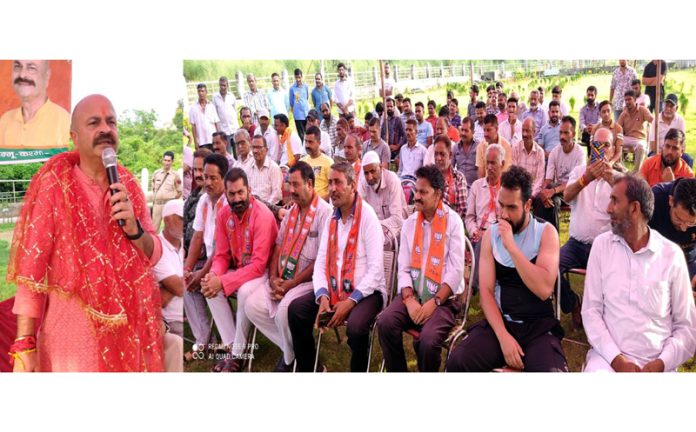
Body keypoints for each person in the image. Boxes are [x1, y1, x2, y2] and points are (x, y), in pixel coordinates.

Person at [9, 94, 163, 372]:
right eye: (94, 122)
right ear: (74, 137)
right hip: (72, 340)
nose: (106, 129)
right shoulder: (54, 186)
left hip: (127, 333)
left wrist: (135, 231)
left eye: (111, 122)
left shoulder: (128, 185)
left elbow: (153, 253)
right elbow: (30, 272)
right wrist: (24, 343)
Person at [447, 165, 568, 372]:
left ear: (528, 205)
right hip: (502, 322)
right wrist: (503, 337)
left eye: (511, 207)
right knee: (458, 361)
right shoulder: (491, 236)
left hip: (537, 327)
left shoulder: (546, 233)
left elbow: (544, 289)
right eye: (501, 205)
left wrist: (511, 246)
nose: (503, 214)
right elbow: (485, 292)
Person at [582, 174, 696, 372]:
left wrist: (661, 363)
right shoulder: (602, 246)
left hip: (660, 364)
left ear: (634, 208)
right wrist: (617, 359)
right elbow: (591, 311)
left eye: (615, 201)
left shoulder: (672, 255)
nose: (608, 208)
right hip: (607, 360)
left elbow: (686, 328)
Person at [288, 161, 386, 372]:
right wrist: (322, 297)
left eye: (338, 183)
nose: (332, 188)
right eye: (330, 182)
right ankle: (310, 369)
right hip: (333, 290)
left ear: (352, 186)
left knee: (357, 328)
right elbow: (321, 263)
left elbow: (376, 271)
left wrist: (350, 302)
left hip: (367, 293)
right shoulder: (331, 219)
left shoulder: (368, 217)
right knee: (296, 311)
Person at [245, 161, 332, 371]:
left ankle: (292, 360)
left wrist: (291, 283)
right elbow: (277, 246)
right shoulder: (291, 211)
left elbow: (321, 260)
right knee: (251, 306)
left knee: (285, 312)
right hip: (284, 277)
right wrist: (274, 278)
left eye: (295, 185)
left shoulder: (325, 213)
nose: (290, 190)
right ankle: (293, 353)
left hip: (309, 281)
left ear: (310, 184)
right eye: (289, 185)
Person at [377, 165, 465, 372]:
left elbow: (456, 272)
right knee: (385, 322)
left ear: (438, 195)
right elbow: (404, 268)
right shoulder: (409, 224)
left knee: (427, 342)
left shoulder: (453, 222)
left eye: (423, 192)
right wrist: (409, 300)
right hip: (414, 294)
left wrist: (433, 303)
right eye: (416, 191)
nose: (416, 196)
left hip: (444, 301)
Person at [200, 168, 278, 372]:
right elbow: (222, 256)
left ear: (249, 190)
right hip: (242, 270)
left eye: (240, 193)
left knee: (243, 291)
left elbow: (259, 265)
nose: (236, 199)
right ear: (225, 194)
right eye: (232, 194)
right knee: (210, 288)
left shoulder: (262, 215)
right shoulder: (225, 213)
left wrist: (224, 281)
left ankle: (238, 355)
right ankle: (232, 349)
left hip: (266, 272)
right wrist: (215, 274)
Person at [558, 127, 617, 330]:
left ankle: (603, 320)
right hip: (576, 244)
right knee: (550, 267)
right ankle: (573, 303)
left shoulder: (618, 178)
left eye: (605, 145)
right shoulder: (579, 171)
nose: (600, 149)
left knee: (614, 279)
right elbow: (566, 197)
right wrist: (586, 178)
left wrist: (611, 179)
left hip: (606, 247)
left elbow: (630, 207)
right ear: (591, 147)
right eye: (596, 145)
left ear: (612, 150)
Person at [184, 154, 237, 366]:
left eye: (213, 178)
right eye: (205, 177)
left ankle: (233, 349)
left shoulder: (229, 202)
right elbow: (198, 236)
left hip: (230, 262)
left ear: (224, 179)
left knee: (208, 285)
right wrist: (187, 268)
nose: (207, 182)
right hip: (212, 262)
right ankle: (204, 342)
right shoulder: (204, 200)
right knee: (185, 280)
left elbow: (221, 249)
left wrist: (203, 272)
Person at [182, 148, 213, 355]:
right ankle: (205, 339)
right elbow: (187, 231)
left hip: (210, 260)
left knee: (189, 282)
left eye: (202, 169)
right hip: (190, 254)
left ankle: (205, 342)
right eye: (195, 170)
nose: (198, 174)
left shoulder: (216, 195)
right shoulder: (193, 195)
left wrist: (190, 267)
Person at [0, 60, 70, 150]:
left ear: (47, 76)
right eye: (17, 67)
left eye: (31, 68)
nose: (22, 75)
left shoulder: (65, 122)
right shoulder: (5, 120)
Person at [533, 116, 586, 230]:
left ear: (573, 134)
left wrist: (552, 191)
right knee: (542, 200)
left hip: (573, 190)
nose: (562, 136)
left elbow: (575, 182)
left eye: (566, 133)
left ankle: (552, 242)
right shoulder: (555, 152)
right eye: (560, 132)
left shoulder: (579, 153)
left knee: (552, 198)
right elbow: (548, 179)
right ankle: (538, 237)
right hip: (557, 192)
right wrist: (544, 193)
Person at [152, 199, 185, 372]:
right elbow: (180, 288)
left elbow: (178, 286)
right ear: (166, 219)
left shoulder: (184, 244)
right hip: (170, 321)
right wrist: (182, 282)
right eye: (181, 218)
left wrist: (173, 285)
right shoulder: (157, 247)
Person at [649, 177, 696, 290]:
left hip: (688, 256)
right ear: (670, 201)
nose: (684, 228)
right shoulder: (654, 199)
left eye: (691, 223)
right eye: (678, 219)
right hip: (655, 256)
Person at [358, 151, 408, 248]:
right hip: (374, 230)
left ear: (380, 168)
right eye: (366, 173)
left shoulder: (392, 181)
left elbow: (397, 219)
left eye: (373, 171)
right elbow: (360, 214)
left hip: (397, 231)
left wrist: (373, 225)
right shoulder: (364, 183)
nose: (370, 177)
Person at [617, 90, 654, 171]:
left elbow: (652, 120)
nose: (627, 102)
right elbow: (617, 127)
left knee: (641, 146)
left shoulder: (642, 110)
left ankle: (636, 172)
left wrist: (656, 119)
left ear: (634, 100)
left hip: (640, 139)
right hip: (627, 138)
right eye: (626, 100)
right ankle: (623, 169)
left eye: (629, 99)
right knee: (616, 143)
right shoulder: (624, 113)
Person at [433, 134, 467, 219]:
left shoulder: (458, 178)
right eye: (436, 154)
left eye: (442, 154)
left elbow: (462, 210)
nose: (438, 158)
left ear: (450, 155)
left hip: (451, 225)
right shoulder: (428, 177)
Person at [512, 118, 545, 197]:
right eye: (523, 130)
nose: (524, 134)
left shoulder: (540, 152)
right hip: (518, 191)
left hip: (533, 192)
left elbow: (539, 179)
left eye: (528, 131)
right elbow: (514, 174)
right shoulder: (516, 148)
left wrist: (531, 195)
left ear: (534, 132)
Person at [299, 126, 334, 200]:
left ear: (319, 143)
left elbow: (332, 188)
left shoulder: (328, 162)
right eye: (306, 141)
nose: (307, 145)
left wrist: (318, 204)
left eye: (310, 142)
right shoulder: (301, 162)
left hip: (321, 205)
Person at [151, 150, 183, 232]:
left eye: (169, 161)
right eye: (165, 160)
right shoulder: (156, 173)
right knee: (154, 229)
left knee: (170, 229)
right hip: (157, 205)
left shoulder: (175, 175)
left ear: (172, 161)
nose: (166, 163)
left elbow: (179, 191)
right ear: (162, 160)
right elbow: (153, 189)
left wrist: (172, 202)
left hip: (168, 206)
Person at [248, 134, 283, 205]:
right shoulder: (249, 167)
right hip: (252, 207)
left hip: (270, 207)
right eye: (253, 147)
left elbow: (276, 194)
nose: (255, 151)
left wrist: (264, 207)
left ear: (266, 150)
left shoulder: (274, 168)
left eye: (259, 147)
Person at [475, 114, 512, 178]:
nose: (485, 134)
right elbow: (481, 175)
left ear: (496, 129)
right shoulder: (480, 147)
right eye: (484, 130)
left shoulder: (506, 146)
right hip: (485, 185)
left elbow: (506, 174)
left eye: (488, 130)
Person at [591, 100, 625, 170]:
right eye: (603, 112)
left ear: (611, 111)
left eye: (608, 111)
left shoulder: (618, 128)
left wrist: (610, 163)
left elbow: (619, 152)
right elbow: (593, 148)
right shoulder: (595, 128)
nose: (606, 114)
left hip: (614, 163)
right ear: (599, 114)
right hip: (597, 161)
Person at [189, 83, 220, 150]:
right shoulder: (193, 108)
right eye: (199, 91)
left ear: (206, 92)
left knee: (215, 159)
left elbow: (216, 123)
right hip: (201, 142)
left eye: (202, 91)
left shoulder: (211, 106)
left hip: (212, 139)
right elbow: (193, 126)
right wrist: (195, 142)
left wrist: (219, 138)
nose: (201, 93)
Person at [452, 116, 480, 189]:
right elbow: (451, 168)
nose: (463, 133)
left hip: (474, 188)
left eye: (466, 131)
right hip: (459, 187)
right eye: (462, 130)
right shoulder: (455, 147)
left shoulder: (479, 147)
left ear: (473, 132)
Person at [212, 76, 239, 145]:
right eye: (221, 85)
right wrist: (218, 130)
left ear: (227, 85)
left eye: (224, 85)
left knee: (237, 153)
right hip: (223, 131)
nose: (222, 87)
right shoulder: (215, 98)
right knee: (226, 154)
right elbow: (215, 115)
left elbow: (234, 111)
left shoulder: (231, 96)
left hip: (234, 129)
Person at [381, 97, 407, 163]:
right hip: (387, 152)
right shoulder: (384, 122)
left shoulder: (398, 120)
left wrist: (397, 146)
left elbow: (404, 135)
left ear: (394, 107)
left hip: (397, 152)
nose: (389, 108)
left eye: (391, 106)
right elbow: (381, 137)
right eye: (387, 106)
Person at [288, 68, 310, 142]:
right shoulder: (292, 89)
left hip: (306, 114)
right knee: (301, 135)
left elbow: (306, 97)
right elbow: (291, 103)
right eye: (296, 77)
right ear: (294, 77)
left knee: (308, 133)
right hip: (298, 115)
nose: (298, 79)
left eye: (299, 77)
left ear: (302, 77)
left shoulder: (305, 86)